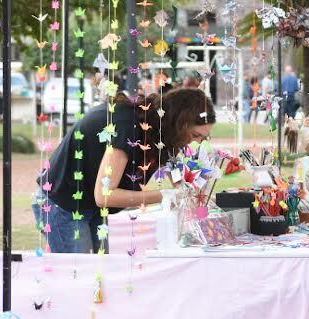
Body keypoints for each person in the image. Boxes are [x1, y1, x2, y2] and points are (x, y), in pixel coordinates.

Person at [35, 87, 215, 254]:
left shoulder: (165, 134)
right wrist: (167, 195)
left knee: (101, 274)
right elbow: (105, 196)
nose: (196, 142)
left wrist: (191, 193)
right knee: (81, 275)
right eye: (195, 135)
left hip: (91, 204)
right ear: (179, 124)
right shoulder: (129, 127)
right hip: (62, 202)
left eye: (202, 138)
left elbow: (177, 175)